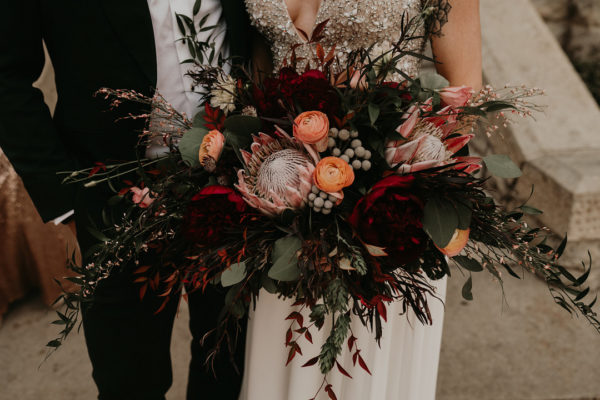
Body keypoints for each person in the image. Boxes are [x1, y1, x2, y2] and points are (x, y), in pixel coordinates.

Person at [0, 1, 258, 399]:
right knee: (130, 379)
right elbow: (6, 76)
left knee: (227, 358)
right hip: (116, 191)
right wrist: (69, 198)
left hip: (237, 175)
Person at [238, 1, 482, 399]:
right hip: (281, 214)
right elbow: (260, 66)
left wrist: (400, 179)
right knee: (277, 368)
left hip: (385, 219)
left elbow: (466, 92)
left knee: (366, 376)